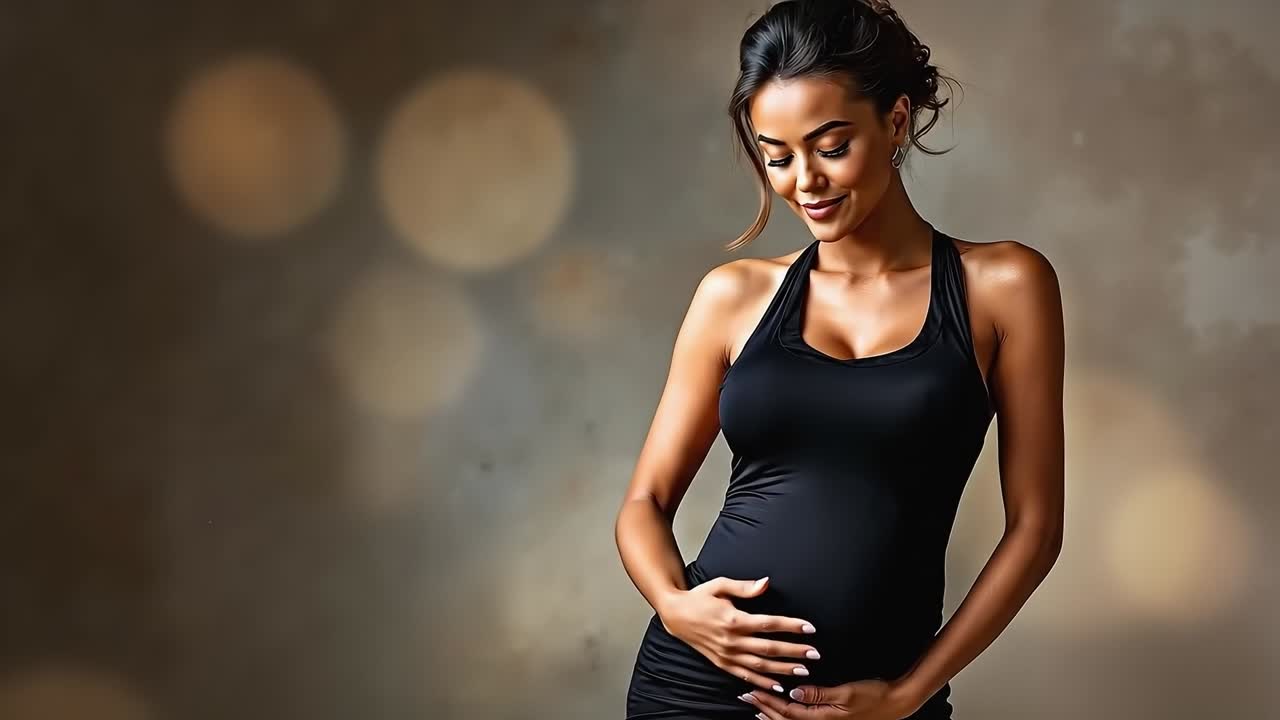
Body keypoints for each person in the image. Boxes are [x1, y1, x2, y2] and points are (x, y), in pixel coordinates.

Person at [614, 1, 1065, 718]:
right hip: (697, 688)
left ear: (896, 121)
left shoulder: (1006, 286)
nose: (805, 181)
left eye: (830, 146)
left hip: (879, 704)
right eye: (778, 157)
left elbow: (1035, 529)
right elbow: (644, 503)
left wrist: (909, 694)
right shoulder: (734, 296)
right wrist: (677, 606)